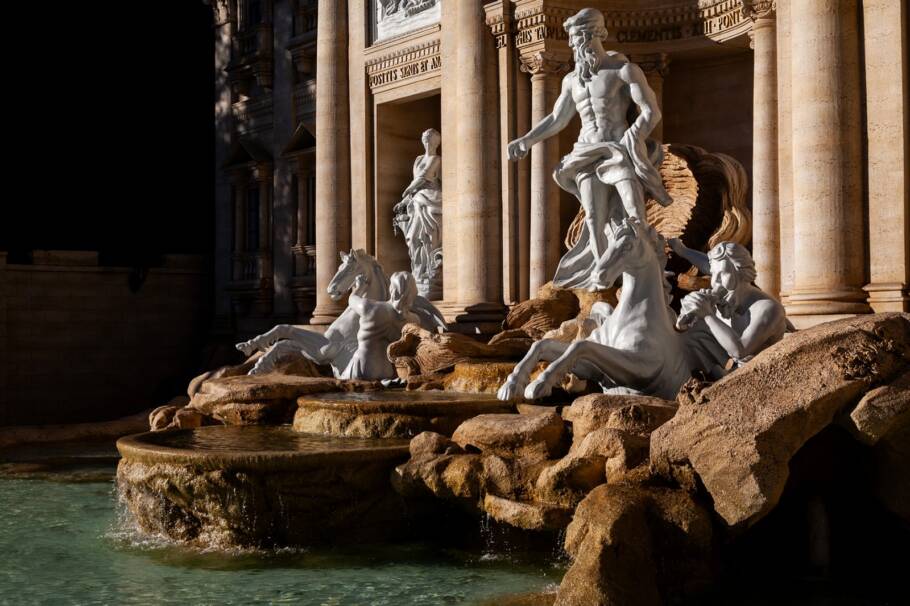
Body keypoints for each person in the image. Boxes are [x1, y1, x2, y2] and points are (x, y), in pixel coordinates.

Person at [507, 8, 672, 290]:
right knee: (594, 218)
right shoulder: (571, 81)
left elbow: (650, 111)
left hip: (618, 152)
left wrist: (633, 136)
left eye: (580, 36)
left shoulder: (623, 70)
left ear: (597, 33)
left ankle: (648, 278)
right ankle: (602, 285)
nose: (574, 44)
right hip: (585, 152)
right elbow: (557, 119)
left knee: (635, 215)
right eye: (572, 39)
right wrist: (527, 140)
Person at [670, 239, 789, 367]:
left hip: (766, 375)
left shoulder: (767, 308)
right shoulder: (726, 301)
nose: (715, 281)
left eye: (722, 274)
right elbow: (710, 265)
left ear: (742, 273)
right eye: (713, 274)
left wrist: (707, 315)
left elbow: (740, 350)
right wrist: (686, 318)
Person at [341, 271, 419, 381]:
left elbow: (352, 299)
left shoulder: (371, 308)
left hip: (363, 367)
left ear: (392, 290)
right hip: (388, 371)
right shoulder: (414, 320)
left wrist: (360, 287)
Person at [393, 128, 443, 297]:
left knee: (428, 238)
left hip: (431, 200)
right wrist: (405, 200)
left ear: (437, 142)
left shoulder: (436, 159)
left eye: (430, 138)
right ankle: (419, 273)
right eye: (425, 138)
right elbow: (416, 182)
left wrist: (405, 193)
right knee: (413, 237)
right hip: (416, 201)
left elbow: (423, 177)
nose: (427, 141)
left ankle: (430, 273)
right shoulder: (418, 159)